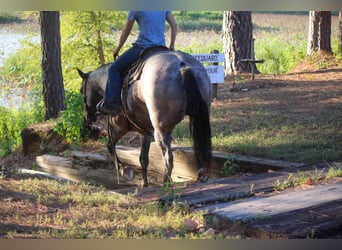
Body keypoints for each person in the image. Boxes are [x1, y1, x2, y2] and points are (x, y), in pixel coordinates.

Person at [97, 11, 177, 115]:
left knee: (114, 69)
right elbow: (174, 25)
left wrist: (118, 48)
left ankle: (112, 104)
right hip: (161, 49)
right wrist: (171, 45)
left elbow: (126, 31)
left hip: (143, 47)